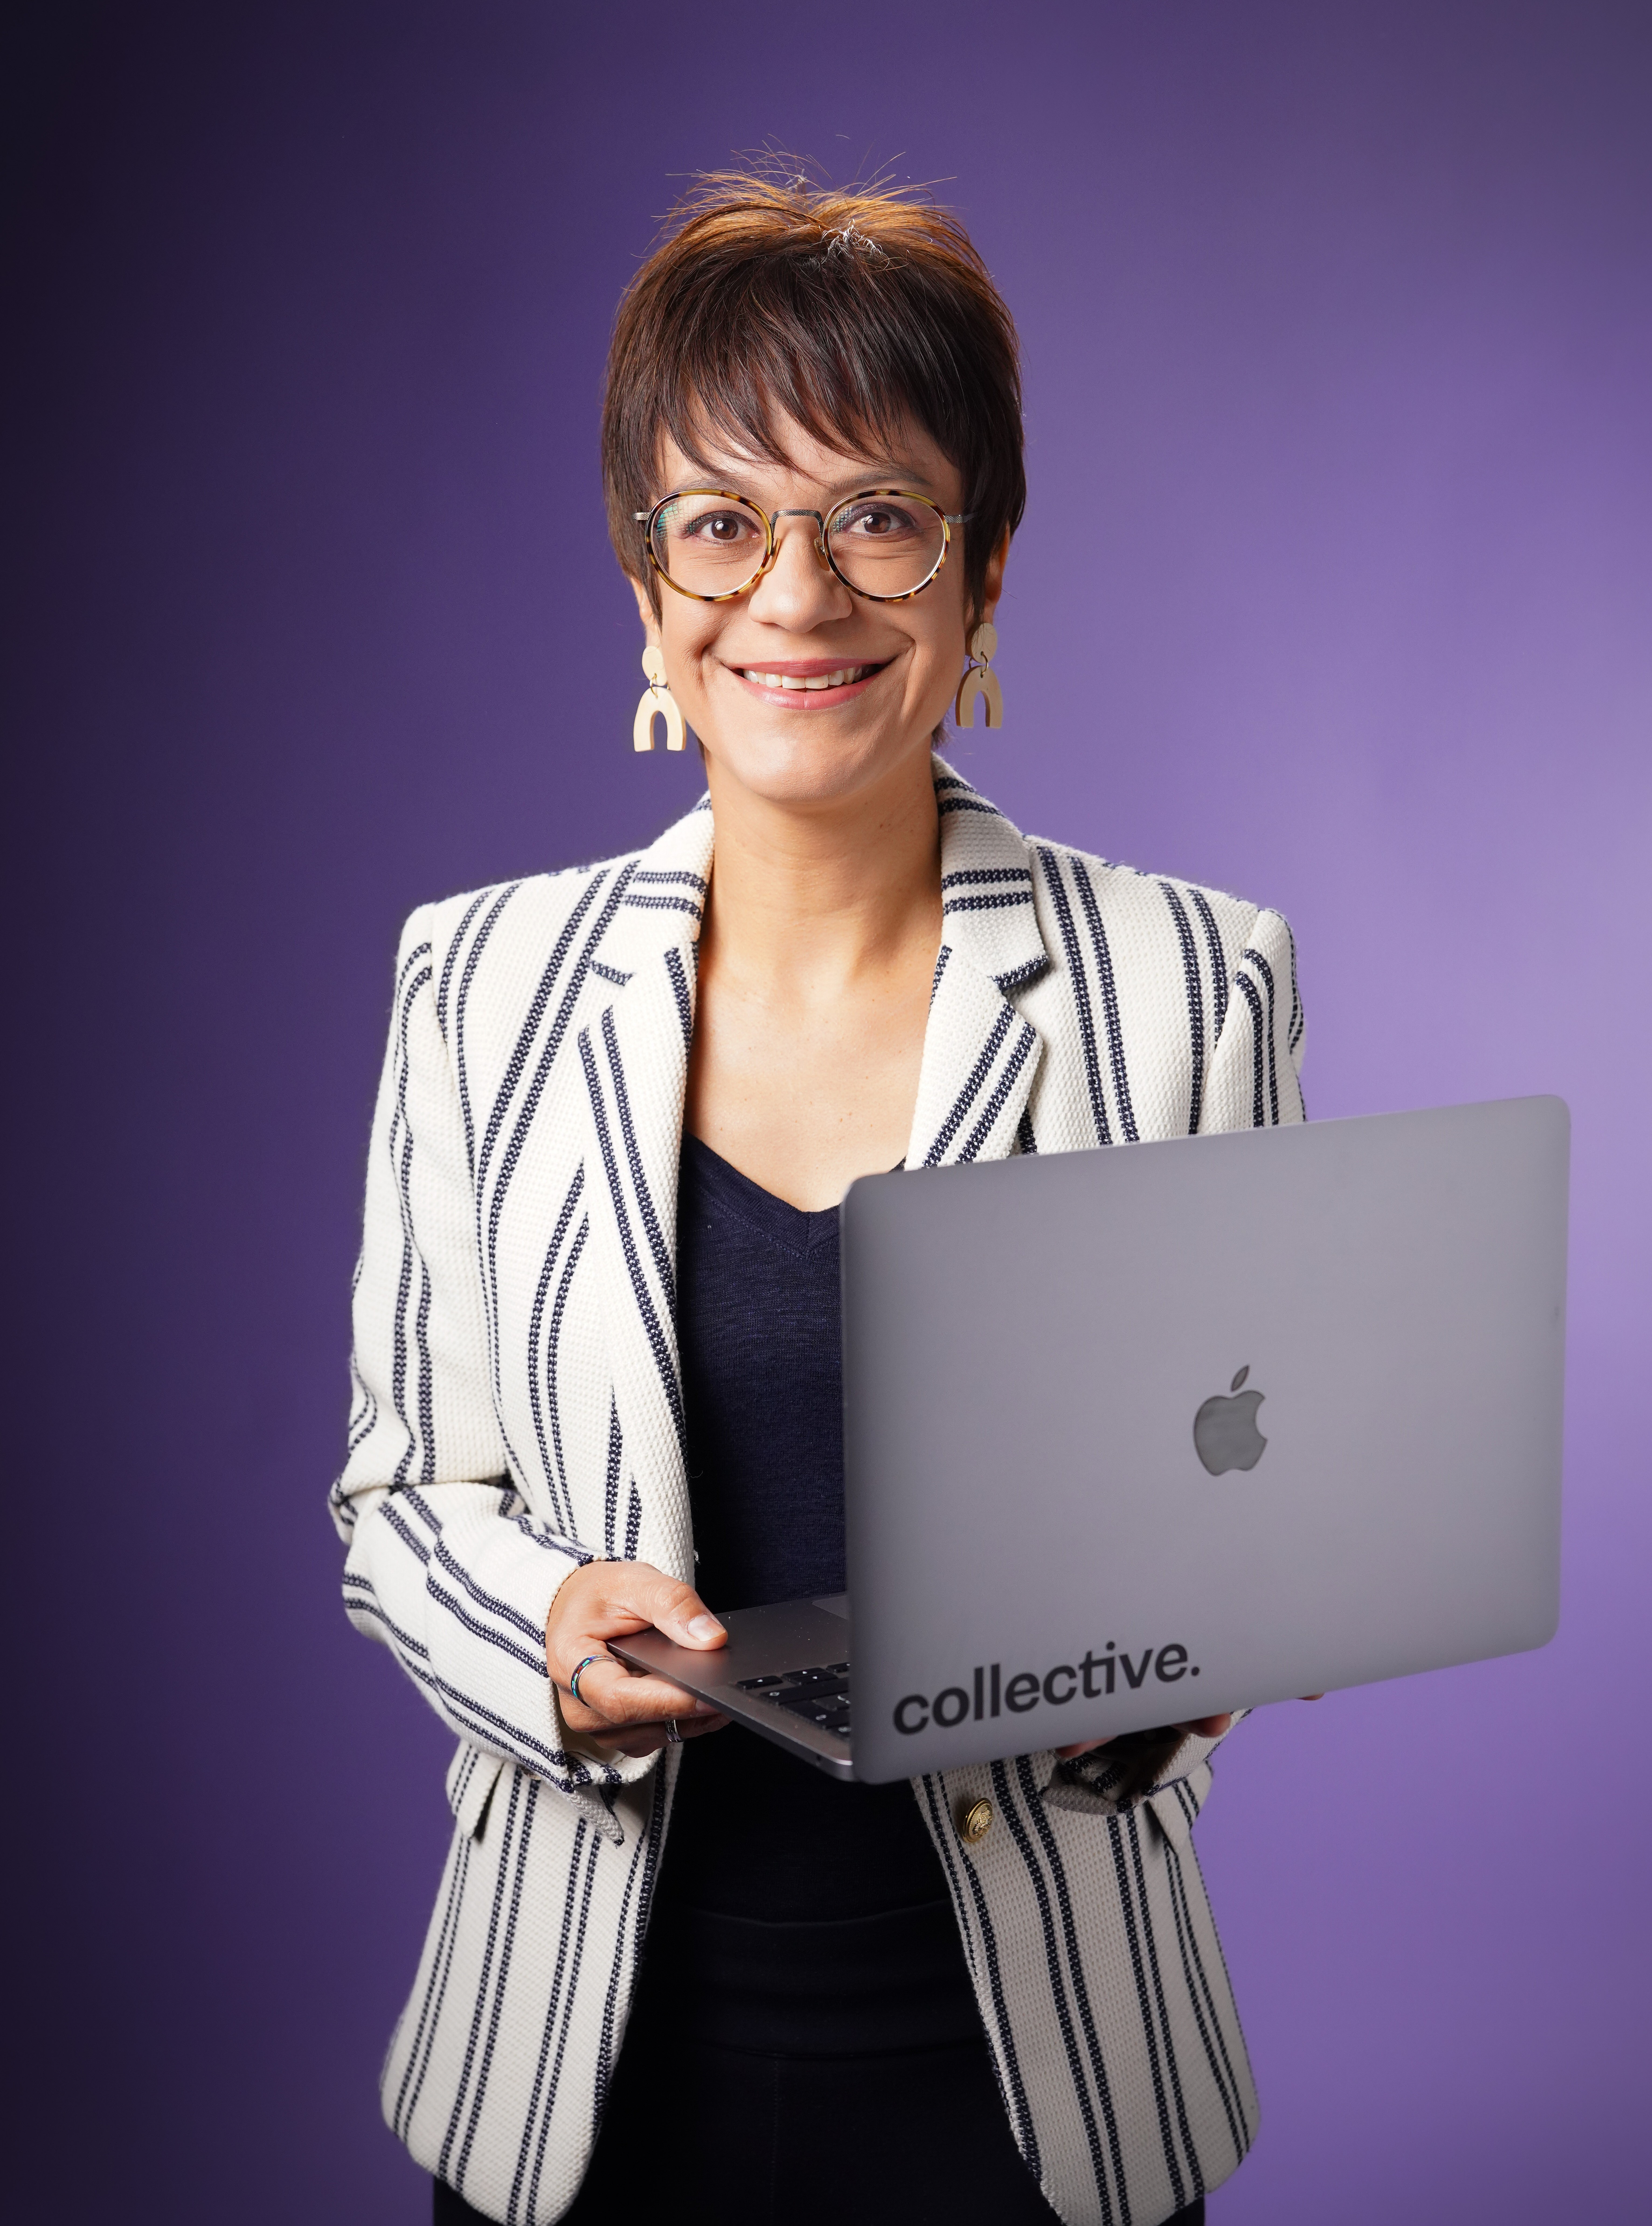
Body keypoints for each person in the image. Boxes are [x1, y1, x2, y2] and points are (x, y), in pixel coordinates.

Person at [332, 171, 1307, 2226]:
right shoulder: (479, 982)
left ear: (985, 574)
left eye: (877, 514)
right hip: (580, 2072)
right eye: (719, 522)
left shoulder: (1193, 977)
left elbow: (1261, 1496)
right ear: (641, 577)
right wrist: (545, 1638)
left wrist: (1188, 1668)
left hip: (1044, 2077)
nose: (794, 595)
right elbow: (403, 1498)